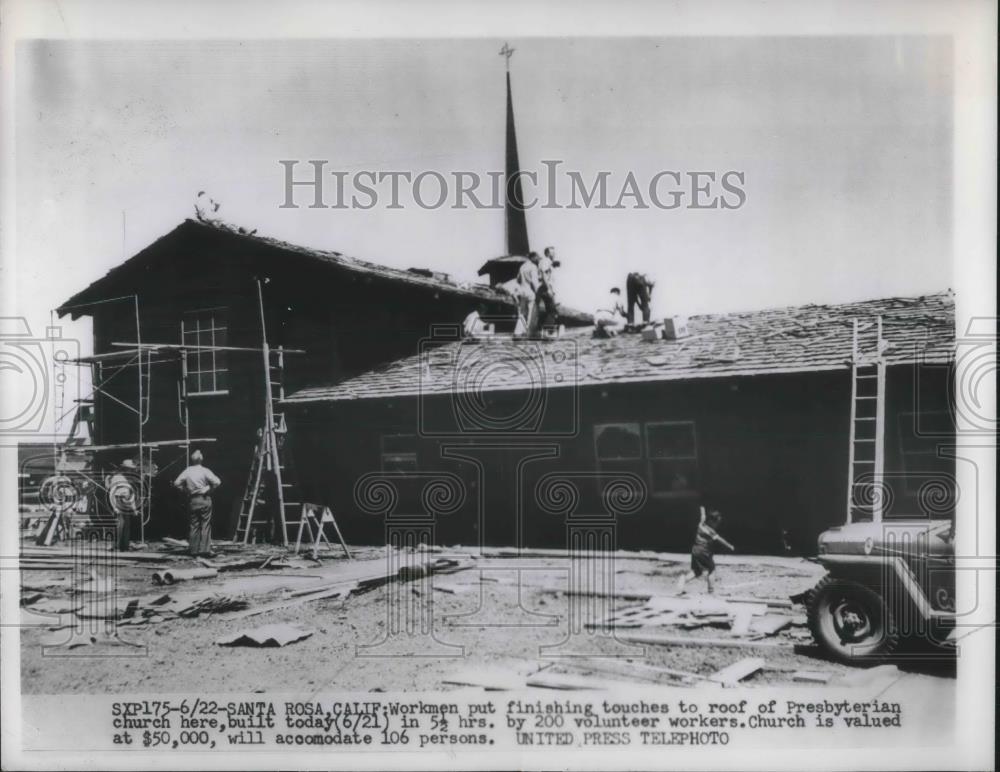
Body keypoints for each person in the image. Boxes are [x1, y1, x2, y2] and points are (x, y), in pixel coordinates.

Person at [173, 450, 221, 558]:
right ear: (201, 459)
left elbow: (176, 483)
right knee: (205, 524)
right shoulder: (205, 470)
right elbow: (217, 482)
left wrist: (186, 490)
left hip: (193, 500)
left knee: (194, 525)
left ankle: (193, 550)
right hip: (204, 499)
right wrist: (207, 488)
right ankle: (204, 550)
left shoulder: (188, 470)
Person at [676, 508, 735, 595]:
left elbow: (703, 516)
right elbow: (720, 540)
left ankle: (683, 579)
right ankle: (711, 592)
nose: (717, 525)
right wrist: (730, 546)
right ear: (711, 521)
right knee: (711, 569)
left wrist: (702, 509)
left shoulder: (701, 524)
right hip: (704, 552)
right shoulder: (711, 531)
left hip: (695, 550)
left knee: (697, 571)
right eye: (716, 522)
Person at [108, 459, 139, 551]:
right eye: (128, 469)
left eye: (131, 469)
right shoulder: (117, 477)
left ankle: (124, 547)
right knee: (120, 524)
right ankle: (116, 546)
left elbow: (131, 494)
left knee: (127, 525)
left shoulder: (130, 479)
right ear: (124, 469)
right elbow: (112, 492)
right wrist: (114, 506)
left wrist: (133, 509)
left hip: (126, 501)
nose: (130, 471)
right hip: (118, 500)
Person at [514, 252, 542, 337]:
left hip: (522, 291)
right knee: (532, 312)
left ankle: (518, 332)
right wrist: (538, 292)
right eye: (537, 258)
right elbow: (534, 281)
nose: (538, 260)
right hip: (530, 291)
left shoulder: (522, 266)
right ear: (532, 258)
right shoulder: (533, 267)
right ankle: (529, 332)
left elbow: (518, 280)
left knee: (522, 313)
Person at [536, 246, 560, 331]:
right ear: (547, 253)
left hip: (545, 287)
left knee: (549, 309)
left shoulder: (546, 261)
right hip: (546, 287)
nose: (553, 254)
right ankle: (548, 332)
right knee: (551, 310)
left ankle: (543, 330)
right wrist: (548, 289)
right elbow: (544, 275)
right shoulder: (546, 261)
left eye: (554, 252)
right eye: (551, 252)